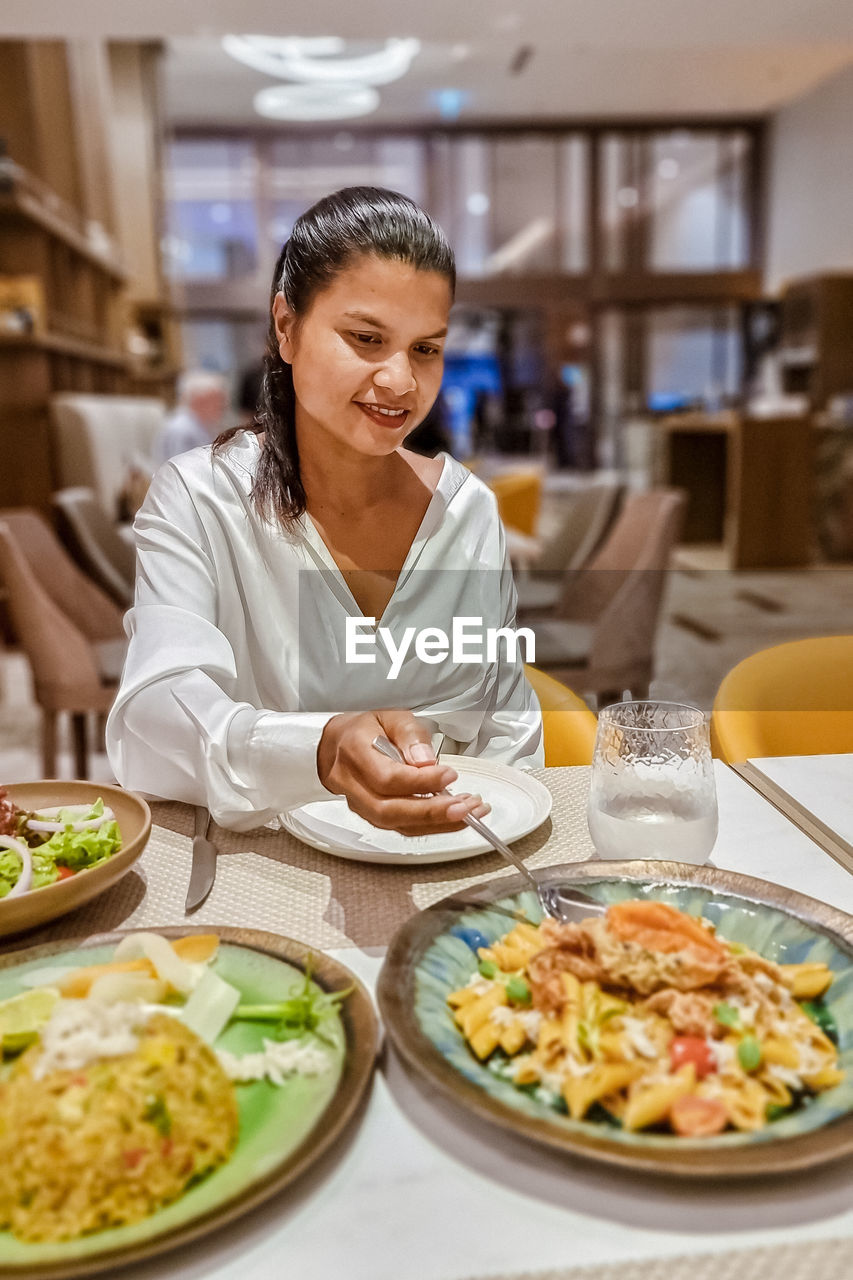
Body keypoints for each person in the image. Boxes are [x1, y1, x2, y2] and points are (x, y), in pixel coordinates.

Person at [107, 187, 543, 833]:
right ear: (286, 327)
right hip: (271, 865)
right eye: (366, 338)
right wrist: (318, 750)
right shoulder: (202, 496)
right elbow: (157, 709)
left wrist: (497, 822)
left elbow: (505, 715)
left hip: (447, 851)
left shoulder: (465, 510)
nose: (400, 381)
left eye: (425, 348)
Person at [154, 370, 228, 464]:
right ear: (200, 400)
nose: (223, 405)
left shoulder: (201, 425)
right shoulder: (181, 429)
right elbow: (181, 468)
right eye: (218, 400)